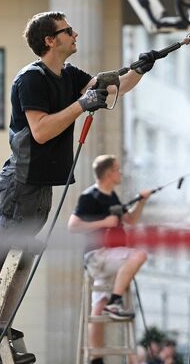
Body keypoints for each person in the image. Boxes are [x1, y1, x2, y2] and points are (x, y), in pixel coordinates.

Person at [0, 11, 157, 360]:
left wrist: (140, 69)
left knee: (21, 261)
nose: (75, 34)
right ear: (50, 40)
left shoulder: (69, 75)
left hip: (41, 184)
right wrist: (79, 105)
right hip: (21, 182)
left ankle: (1, 325)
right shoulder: (32, 79)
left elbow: (111, 87)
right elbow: (41, 131)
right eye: (68, 31)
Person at [69, 155, 153, 364]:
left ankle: (96, 359)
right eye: (117, 169)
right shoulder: (90, 197)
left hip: (110, 258)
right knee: (139, 255)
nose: (120, 173)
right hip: (98, 256)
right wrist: (103, 221)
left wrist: (141, 202)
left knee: (97, 308)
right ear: (108, 173)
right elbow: (73, 225)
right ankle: (115, 302)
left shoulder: (113, 197)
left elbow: (131, 219)